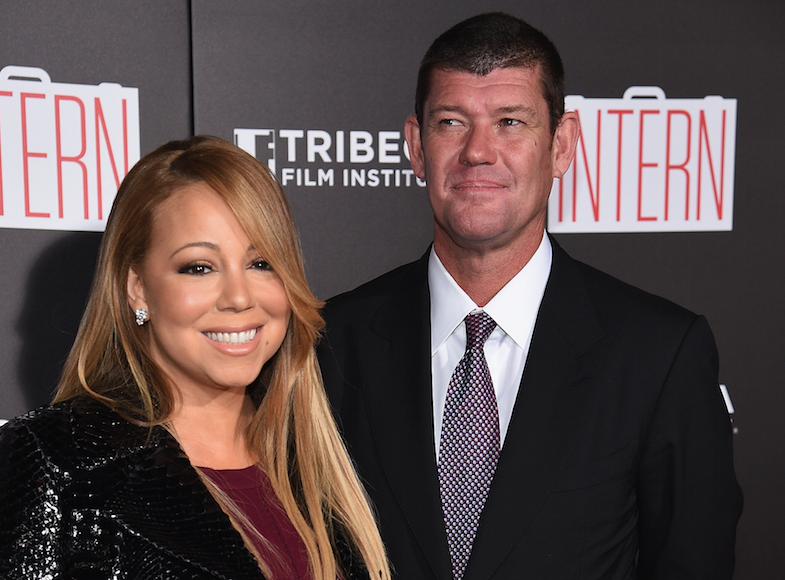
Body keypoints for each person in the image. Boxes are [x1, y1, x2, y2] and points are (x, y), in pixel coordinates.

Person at [318, 12, 742, 580]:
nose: (478, 152)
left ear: (561, 146)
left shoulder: (659, 353)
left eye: (511, 122)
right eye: (451, 122)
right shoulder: (330, 343)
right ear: (417, 147)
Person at [0, 136, 391, 580]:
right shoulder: (58, 460)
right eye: (199, 267)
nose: (240, 297)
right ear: (137, 287)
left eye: (262, 263)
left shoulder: (324, 460)